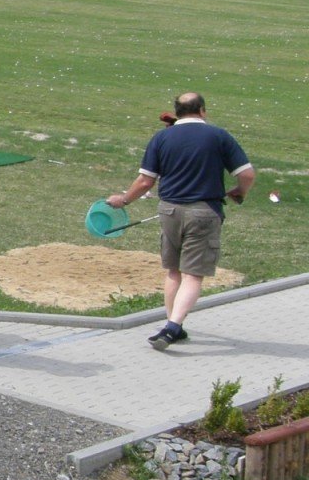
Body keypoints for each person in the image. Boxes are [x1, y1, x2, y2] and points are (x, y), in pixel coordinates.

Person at [107, 92, 254, 350]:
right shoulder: (219, 136)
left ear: (177, 112)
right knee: (193, 275)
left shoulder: (162, 137)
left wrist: (124, 200)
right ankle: (173, 327)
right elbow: (248, 175)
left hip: (169, 211)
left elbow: (145, 181)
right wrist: (240, 191)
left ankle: (172, 324)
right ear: (203, 111)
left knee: (174, 271)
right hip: (204, 212)